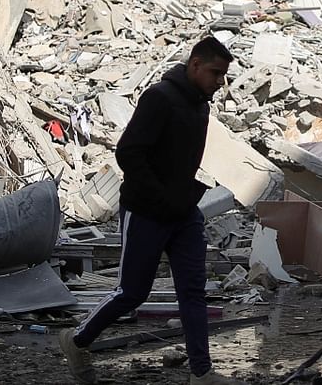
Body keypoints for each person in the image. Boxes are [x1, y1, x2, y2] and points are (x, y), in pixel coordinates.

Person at [60, 36, 240, 385]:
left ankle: (201, 372)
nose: (220, 82)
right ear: (195, 65)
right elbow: (128, 153)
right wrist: (160, 196)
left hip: (183, 213)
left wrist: (181, 197)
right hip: (146, 210)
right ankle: (77, 339)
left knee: (192, 290)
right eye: (216, 73)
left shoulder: (200, 106)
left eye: (224, 75)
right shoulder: (160, 98)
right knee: (132, 292)